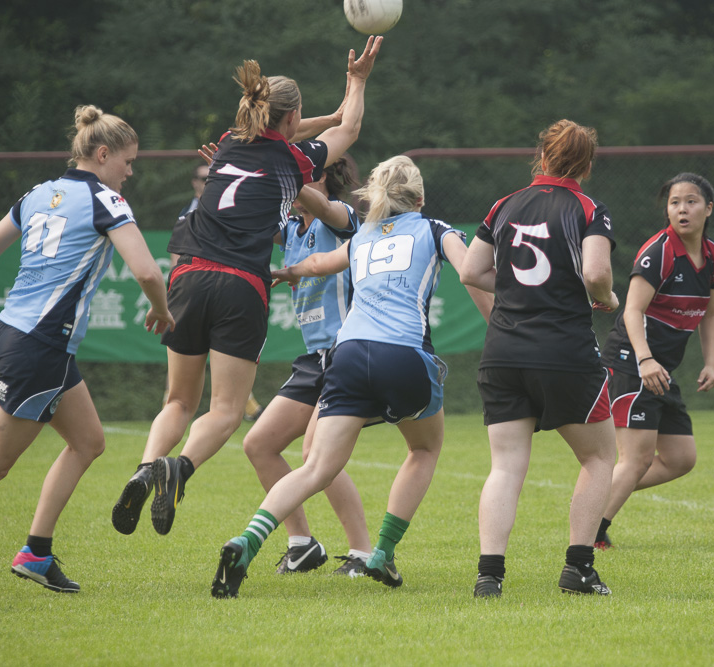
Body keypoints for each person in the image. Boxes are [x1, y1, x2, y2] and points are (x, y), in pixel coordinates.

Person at [110, 36, 382, 538]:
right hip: (239, 284)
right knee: (226, 411)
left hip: (188, 275)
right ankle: (180, 468)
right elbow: (349, 128)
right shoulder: (293, 162)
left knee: (177, 401)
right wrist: (357, 82)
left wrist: (319, 117)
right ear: (291, 118)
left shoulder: (230, 142)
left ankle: (146, 468)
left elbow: (296, 128)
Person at [210, 155, 493, 598]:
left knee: (317, 466)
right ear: (419, 199)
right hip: (403, 353)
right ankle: (382, 552)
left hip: (348, 355)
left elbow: (319, 264)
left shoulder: (362, 236)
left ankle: (248, 539)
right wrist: (526, 295)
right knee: (424, 448)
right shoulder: (435, 229)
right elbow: (472, 271)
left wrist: (286, 271)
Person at [0, 105, 174, 592]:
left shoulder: (38, 194)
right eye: (128, 162)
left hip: (20, 335)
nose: (130, 172)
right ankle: (33, 553)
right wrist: (162, 310)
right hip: (40, 345)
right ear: (103, 154)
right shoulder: (107, 200)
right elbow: (148, 272)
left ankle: (36, 553)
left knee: (88, 441)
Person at [459, 119, 619, 598]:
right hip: (564, 351)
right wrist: (607, 298)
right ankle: (578, 569)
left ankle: (489, 576)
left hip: (503, 352)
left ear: (542, 156)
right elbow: (596, 273)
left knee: (506, 466)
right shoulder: (588, 208)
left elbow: (471, 271)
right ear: (586, 165)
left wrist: (512, 287)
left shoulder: (504, 204)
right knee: (599, 457)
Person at [241, 155, 374, 576]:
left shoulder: (342, 218)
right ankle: (302, 544)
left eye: (303, 174)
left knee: (317, 454)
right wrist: (239, 173)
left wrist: (287, 172)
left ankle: (364, 553)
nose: (292, 184)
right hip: (315, 359)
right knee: (258, 444)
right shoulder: (290, 229)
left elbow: (322, 206)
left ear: (324, 178)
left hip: (346, 353)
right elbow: (249, 213)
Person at [594, 172, 714, 549]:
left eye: (691, 201)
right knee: (636, 459)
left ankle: (594, 494)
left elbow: (711, 314)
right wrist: (645, 359)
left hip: (659, 369)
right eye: (674, 202)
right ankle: (592, 532)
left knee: (681, 458)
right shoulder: (659, 252)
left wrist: (710, 363)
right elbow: (632, 310)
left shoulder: (713, 258)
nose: (682, 209)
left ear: (708, 209)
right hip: (631, 361)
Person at [164, 164, 264, 422]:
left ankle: (247, 404)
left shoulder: (226, 205)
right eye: (202, 178)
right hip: (203, 287)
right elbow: (176, 257)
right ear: (194, 183)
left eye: (212, 177)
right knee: (205, 399)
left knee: (188, 391)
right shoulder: (193, 211)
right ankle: (245, 406)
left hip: (207, 288)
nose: (207, 181)